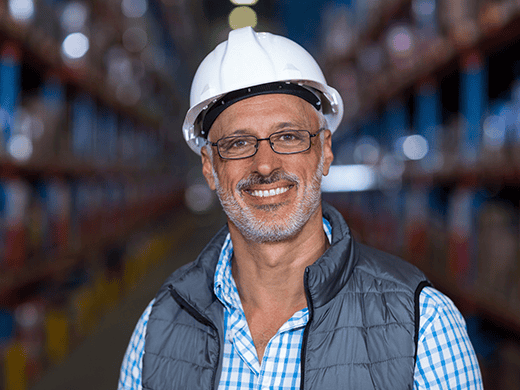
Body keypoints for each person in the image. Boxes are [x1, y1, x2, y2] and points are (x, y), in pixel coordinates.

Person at [118, 27, 483, 389]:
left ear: (325, 151)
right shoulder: (159, 327)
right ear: (209, 168)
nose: (264, 165)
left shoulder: (423, 327)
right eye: (238, 143)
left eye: (288, 137)